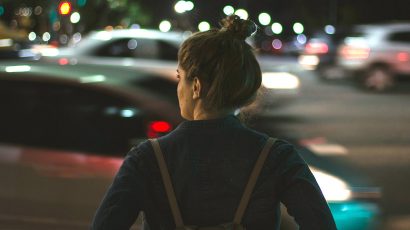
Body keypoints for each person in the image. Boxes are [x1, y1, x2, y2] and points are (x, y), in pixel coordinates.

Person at [91, 15, 337, 230]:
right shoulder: (277, 157)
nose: (178, 88)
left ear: (196, 86)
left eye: (180, 78)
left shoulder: (147, 159)